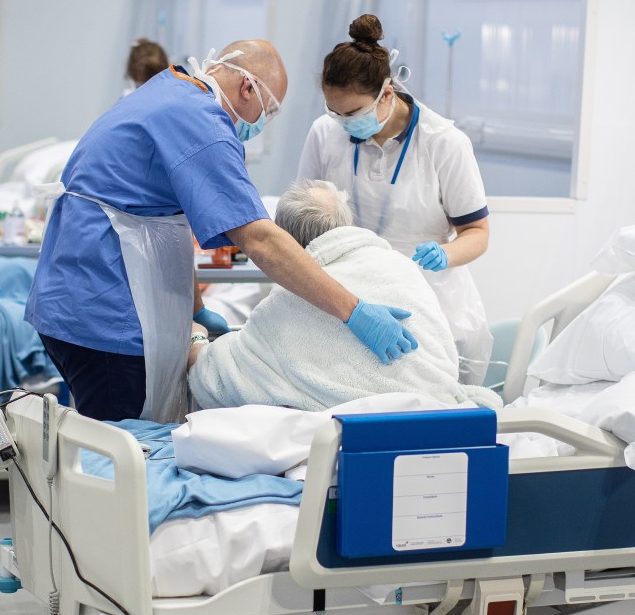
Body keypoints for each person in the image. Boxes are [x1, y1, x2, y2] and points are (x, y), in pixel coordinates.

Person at [25, 39, 418, 429]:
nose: (263, 124)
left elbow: (160, 224)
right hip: (106, 315)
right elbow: (261, 239)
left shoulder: (170, 90)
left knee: (102, 439)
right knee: (120, 446)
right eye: (271, 110)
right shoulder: (202, 124)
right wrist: (354, 311)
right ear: (248, 88)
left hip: (73, 300)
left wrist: (193, 309)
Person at [296, 14, 493, 385]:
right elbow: (303, 214)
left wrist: (445, 254)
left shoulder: (444, 143)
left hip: (428, 299)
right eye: (334, 112)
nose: (343, 122)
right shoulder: (326, 133)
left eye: (353, 113)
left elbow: (478, 232)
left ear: (387, 93)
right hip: (348, 299)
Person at [188, 179, 501, 411]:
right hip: (439, 422)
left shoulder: (282, 307)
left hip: (350, 444)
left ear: (285, 237)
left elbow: (216, 381)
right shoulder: (403, 269)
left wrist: (197, 338)